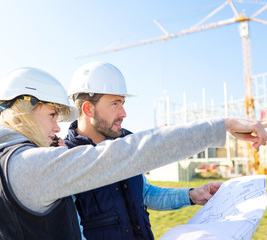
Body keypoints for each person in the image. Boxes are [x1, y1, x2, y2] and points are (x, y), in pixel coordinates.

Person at [0, 66, 267, 240]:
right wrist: (221, 125)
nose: (57, 128)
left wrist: (190, 194)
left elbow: (138, 188)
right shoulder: (27, 165)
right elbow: (125, 155)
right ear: (23, 108)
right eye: (51, 116)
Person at [63, 62, 229, 239]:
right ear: (88, 109)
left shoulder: (126, 145)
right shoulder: (65, 160)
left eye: (123, 103)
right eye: (114, 104)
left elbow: (144, 193)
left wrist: (191, 195)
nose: (123, 113)